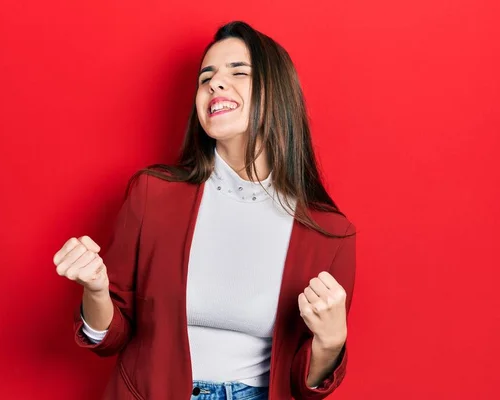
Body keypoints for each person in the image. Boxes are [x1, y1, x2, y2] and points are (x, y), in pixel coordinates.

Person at [53, 20, 356, 400]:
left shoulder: (330, 233)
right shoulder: (153, 194)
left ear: (277, 93)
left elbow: (304, 384)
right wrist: (95, 291)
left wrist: (331, 342)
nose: (214, 83)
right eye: (205, 77)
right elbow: (109, 337)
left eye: (238, 72)